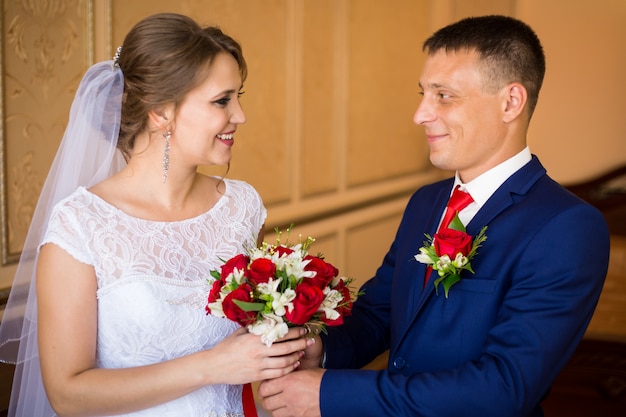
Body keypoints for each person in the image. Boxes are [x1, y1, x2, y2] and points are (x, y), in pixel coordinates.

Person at [258, 14, 610, 417]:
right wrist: (320, 350)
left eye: (444, 95)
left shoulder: (567, 227)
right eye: (423, 93)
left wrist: (330, 394)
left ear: (511, 102)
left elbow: (504, 387)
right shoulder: (426, 202)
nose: (420, 114)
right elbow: (380, 313)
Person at [0, 13, 312, 417]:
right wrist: (211, 367)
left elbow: (250, 342)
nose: (240, 116)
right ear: (161, 112)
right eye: (222, 100)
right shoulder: (80, 225)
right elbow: (68, 395)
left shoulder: (241, 207)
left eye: (239, 97)